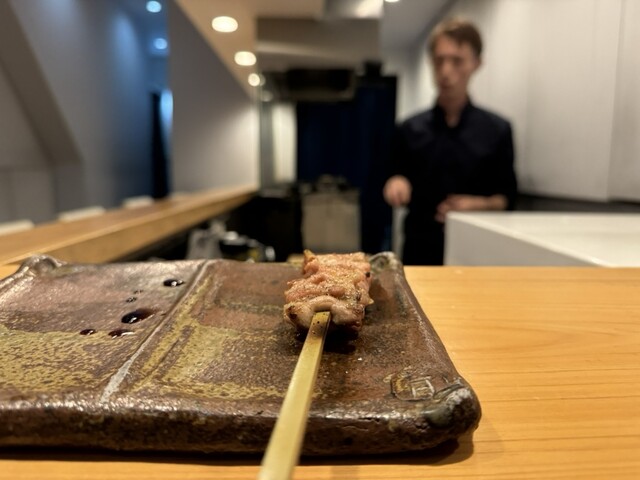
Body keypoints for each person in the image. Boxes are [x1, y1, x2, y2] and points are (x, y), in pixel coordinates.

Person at [383, 17, 517, 265]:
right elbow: (394, 175)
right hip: (420, 249)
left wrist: (478, 204)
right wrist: (396, 183)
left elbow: (507, 197)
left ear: (476, 63)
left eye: (457, 61)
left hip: (478, 252)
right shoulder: (409, 128)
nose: (446, 71)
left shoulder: (497, 129)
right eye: (439, 60)